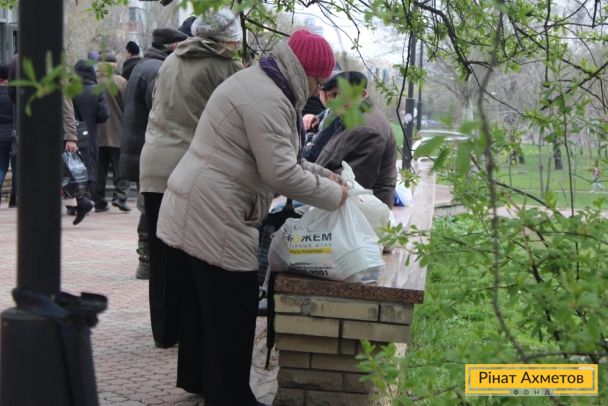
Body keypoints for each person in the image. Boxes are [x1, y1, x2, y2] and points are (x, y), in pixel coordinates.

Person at [156, 29, 348, 405]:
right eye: (318, 81)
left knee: (204, 304)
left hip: (200, 201)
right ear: (306, 72)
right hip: (216, 210)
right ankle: (230, 396)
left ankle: (200, 379)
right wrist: (334, 197)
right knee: (234, 306)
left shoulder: (263, 82)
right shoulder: (269, 98)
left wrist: (326, 176)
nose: (317, 90)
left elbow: (286, 158)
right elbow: (281, 173)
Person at [139, 9, 244, 350]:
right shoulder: (225, 67)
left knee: (161, 253)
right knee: (191, 253)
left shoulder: (171, 60)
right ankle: (188, 328)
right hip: (190, 168)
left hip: (153, 163)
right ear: (226, 38)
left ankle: (164, 330)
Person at [120, 27, 188, 279]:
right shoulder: (159, 70)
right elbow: (163, 111)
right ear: (173, 46)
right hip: (149, 147)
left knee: (148, 204)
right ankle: (148, 260)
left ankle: (147, 259)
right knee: (151, 205)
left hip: (138, 146)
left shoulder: (143, 66)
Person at [309, 71, 398, 207]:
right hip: (342, 202)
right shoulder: (353, 117)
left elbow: (352, 184)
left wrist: (306, 181)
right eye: (334, 95)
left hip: (360, 211)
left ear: (362, 95)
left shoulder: (366, 129)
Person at [72, 60, 110, 225]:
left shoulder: (70, 89)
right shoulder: (96, 90)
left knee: (72, 166)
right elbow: (103, 114)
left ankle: (76, 200)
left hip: (72, 134)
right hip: (90, 134)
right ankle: (85, 197)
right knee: (89, 165)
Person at [93, 53, 130, 213]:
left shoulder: (93, 81)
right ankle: (120, 197)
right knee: (120, 169)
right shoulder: (120, 81)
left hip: (96, 134)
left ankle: (99, 201)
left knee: (99, 170)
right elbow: (128, 106)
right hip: (118, 132)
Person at [0, 64, 15, 206]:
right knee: (17, 168)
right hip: (15, 134)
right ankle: (15, 199)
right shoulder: (14, 94)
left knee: (1, 166)